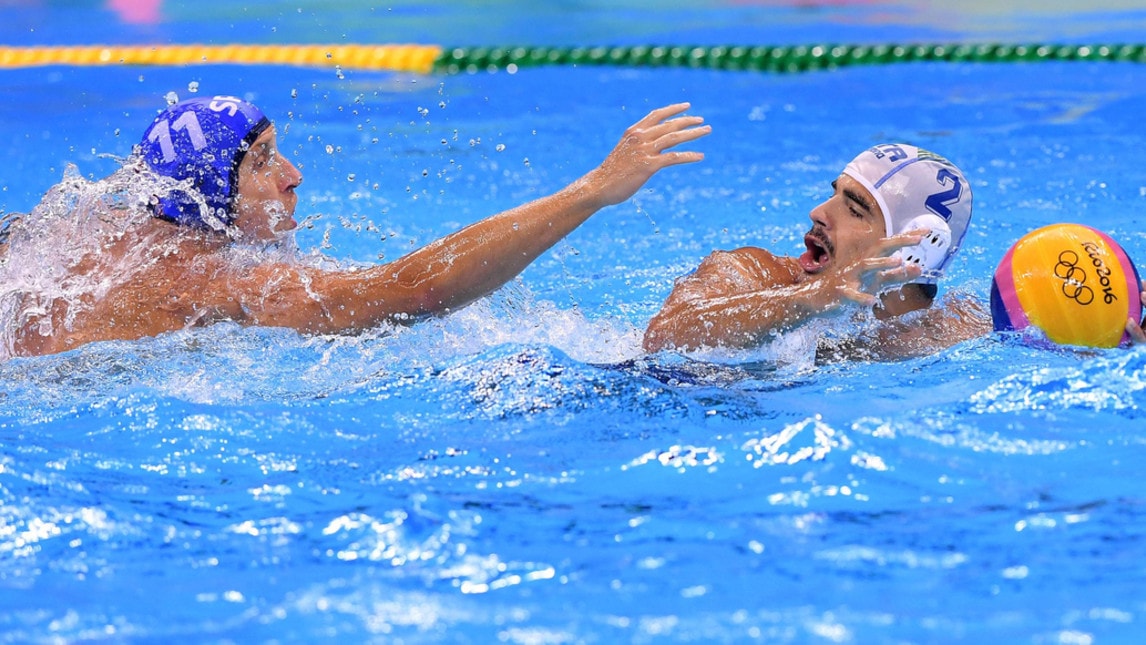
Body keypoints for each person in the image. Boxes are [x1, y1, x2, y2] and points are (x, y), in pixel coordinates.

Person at [1, 95, 710, 358]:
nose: (294, 176)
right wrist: (592, 190)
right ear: (207, 201)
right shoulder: (206, 281)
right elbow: (415, 291)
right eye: (262, 163)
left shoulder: (79, 234)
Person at [643, 143, 991, 361]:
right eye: (834, 194)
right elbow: (661, 336)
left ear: (917, 248)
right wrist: (812, 299)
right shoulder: (752, 273)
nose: (819, 212)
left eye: (855, 209)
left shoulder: (957, 332)